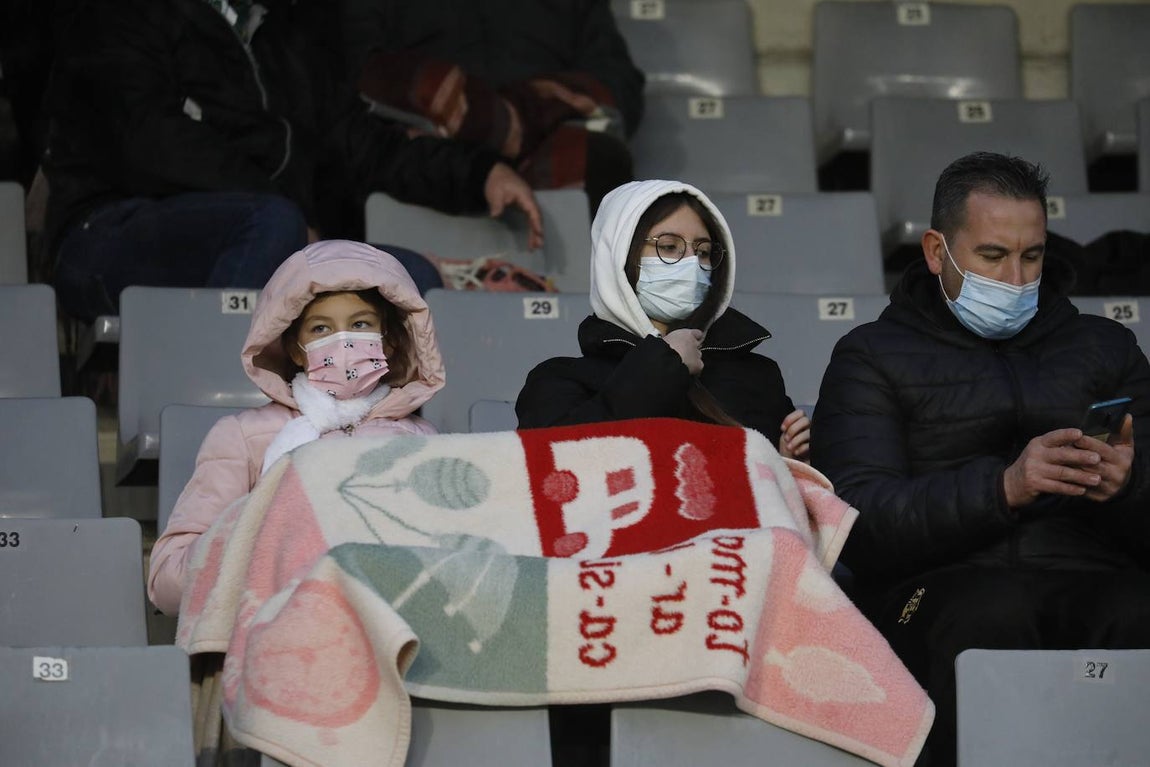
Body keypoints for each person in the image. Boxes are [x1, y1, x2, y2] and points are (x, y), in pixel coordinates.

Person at [810, 152, 1150, 766]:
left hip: (1092, 572)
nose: (1017, 279)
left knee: (1138, 611)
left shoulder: (1106, 347)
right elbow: (857, 523)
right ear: (937, 251)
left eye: (1033, 256)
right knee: (992, 615)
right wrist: (1003, 489)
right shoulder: (871, 356)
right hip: (935, 588)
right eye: (992, 257)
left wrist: (1127, 485)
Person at [42, 0, 542, 322]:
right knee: (270, 225)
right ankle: (224, 412)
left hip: (267, 236)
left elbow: (358, 143)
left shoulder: (286, 33)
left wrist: (478, 173)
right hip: (106, 233)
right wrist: (285, 218)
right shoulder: (115, 15)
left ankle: (373, 446)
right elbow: (146, 142)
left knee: (409, 279)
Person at [147, 239, 444, 615]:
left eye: (360, 324)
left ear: (390, 342)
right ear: (294, 348)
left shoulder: (423, 440)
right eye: (320, 328)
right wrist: (261, 530)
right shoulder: (242, 437)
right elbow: (167, 583)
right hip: (269, 639)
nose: (343, 340)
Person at [516, 179, 809, 459]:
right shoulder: (558, 380)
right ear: (619, 256)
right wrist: (663, 365)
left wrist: (788, 466)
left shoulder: (757, 375)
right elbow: (558, 469)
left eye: (704, 252)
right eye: (669, 247)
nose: (693, 264)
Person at [342, 0, 644, 211]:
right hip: (423, 145)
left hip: (543, 142)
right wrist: (477, 123)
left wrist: (520, 116)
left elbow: (617, 82)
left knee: (601, 158)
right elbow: (358, 74)